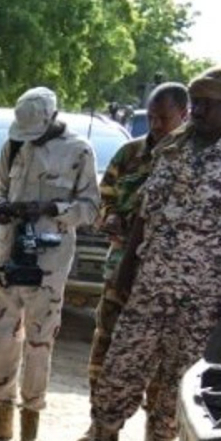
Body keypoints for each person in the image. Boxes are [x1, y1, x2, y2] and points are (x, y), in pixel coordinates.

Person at [57, 67, 221, 441]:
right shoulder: (172, 147)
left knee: (178, 374)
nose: (198, 111)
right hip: (150, 282)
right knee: (121, 362)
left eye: (207, 104)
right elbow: (145, 210)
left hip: (204, 294)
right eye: (196, 102)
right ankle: (101, 439)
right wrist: (126, 268)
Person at [0, 86, 98, 441]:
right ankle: (1, 415)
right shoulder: (13, 145)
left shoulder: (79, 151)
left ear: (52, 118)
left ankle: (30, 423)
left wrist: (51, 209)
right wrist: (1, 207)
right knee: (3, 336)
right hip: (8, 254)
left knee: (40, 340)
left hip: (49, 263)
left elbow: (90, 209)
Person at [81, 84, 189, 396]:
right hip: (120, 269)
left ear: (184, 115)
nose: (156, 125)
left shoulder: (191, 162)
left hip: (166, 280)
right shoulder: (129, 154)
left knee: (159, 360)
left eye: (164, 118)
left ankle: (152, 425)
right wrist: (110, 216)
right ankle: (101, 419)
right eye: (152, 117)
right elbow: (104, 197)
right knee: (106, 344)